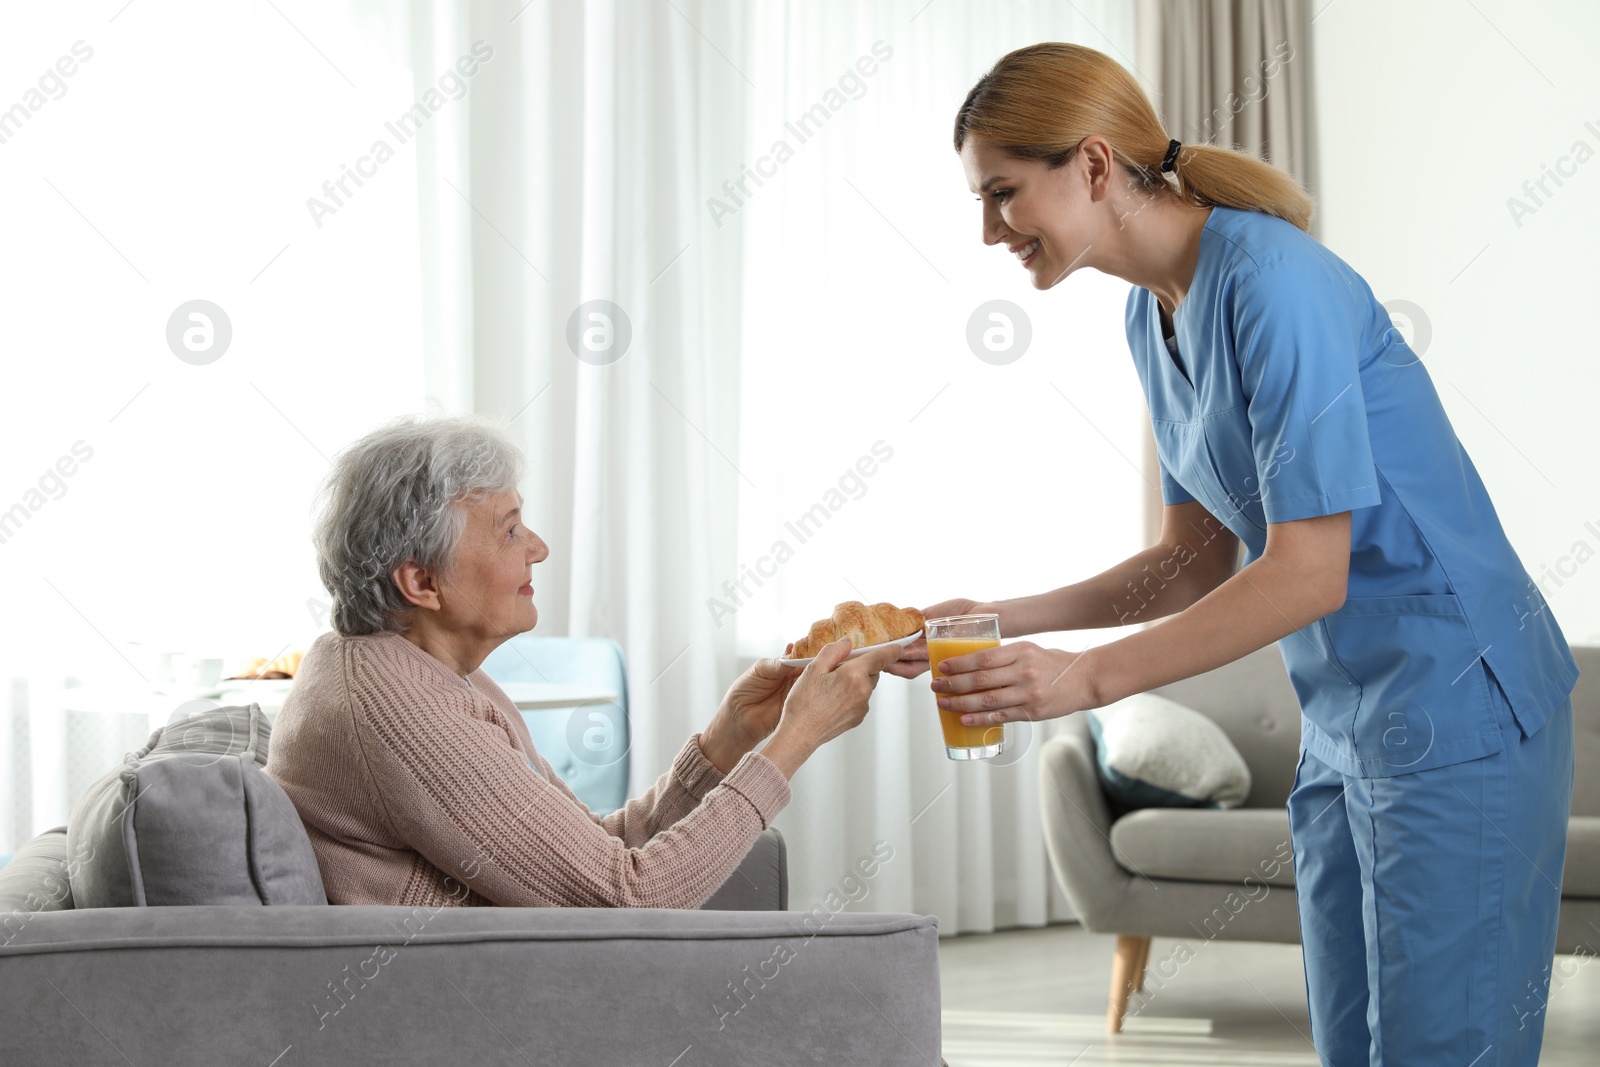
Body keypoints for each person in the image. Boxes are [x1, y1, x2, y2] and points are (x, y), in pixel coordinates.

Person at [889, 42, 1579, 1066]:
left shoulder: (1271, 282)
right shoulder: (1148, 312)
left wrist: (1078, 678)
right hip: (1344, 723)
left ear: (1088, 165)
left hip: (1455, 702)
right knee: (1355, 1044)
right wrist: (997, 615)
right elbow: (1191, 558)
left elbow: (1309, 568)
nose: (987, 229)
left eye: (1000, 193)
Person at [267, 413, 901, 909]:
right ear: (421, 582)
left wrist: (729, 738)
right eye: (510, 530)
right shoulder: (395, 709)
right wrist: (796, 739)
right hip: (486, 1003)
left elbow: (600, 855)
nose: (538, 548)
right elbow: (634, 896)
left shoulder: (425, 674)